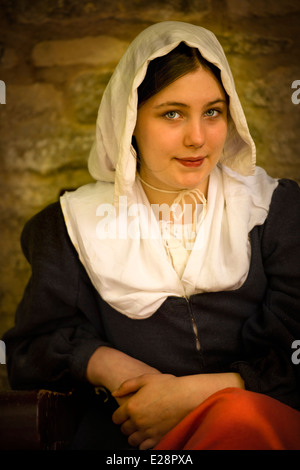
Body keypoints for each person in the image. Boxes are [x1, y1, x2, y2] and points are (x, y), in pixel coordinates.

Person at [3, 21, 300, 450]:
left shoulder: (275, 211)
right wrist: (114, 369)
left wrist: (189, 397)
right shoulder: (72, 225)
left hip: (262, 427)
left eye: (213, 112)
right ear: (130, 122)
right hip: (132, 441)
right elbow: (32, 352)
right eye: (172, 113)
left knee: (240, 419)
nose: (197, 138)